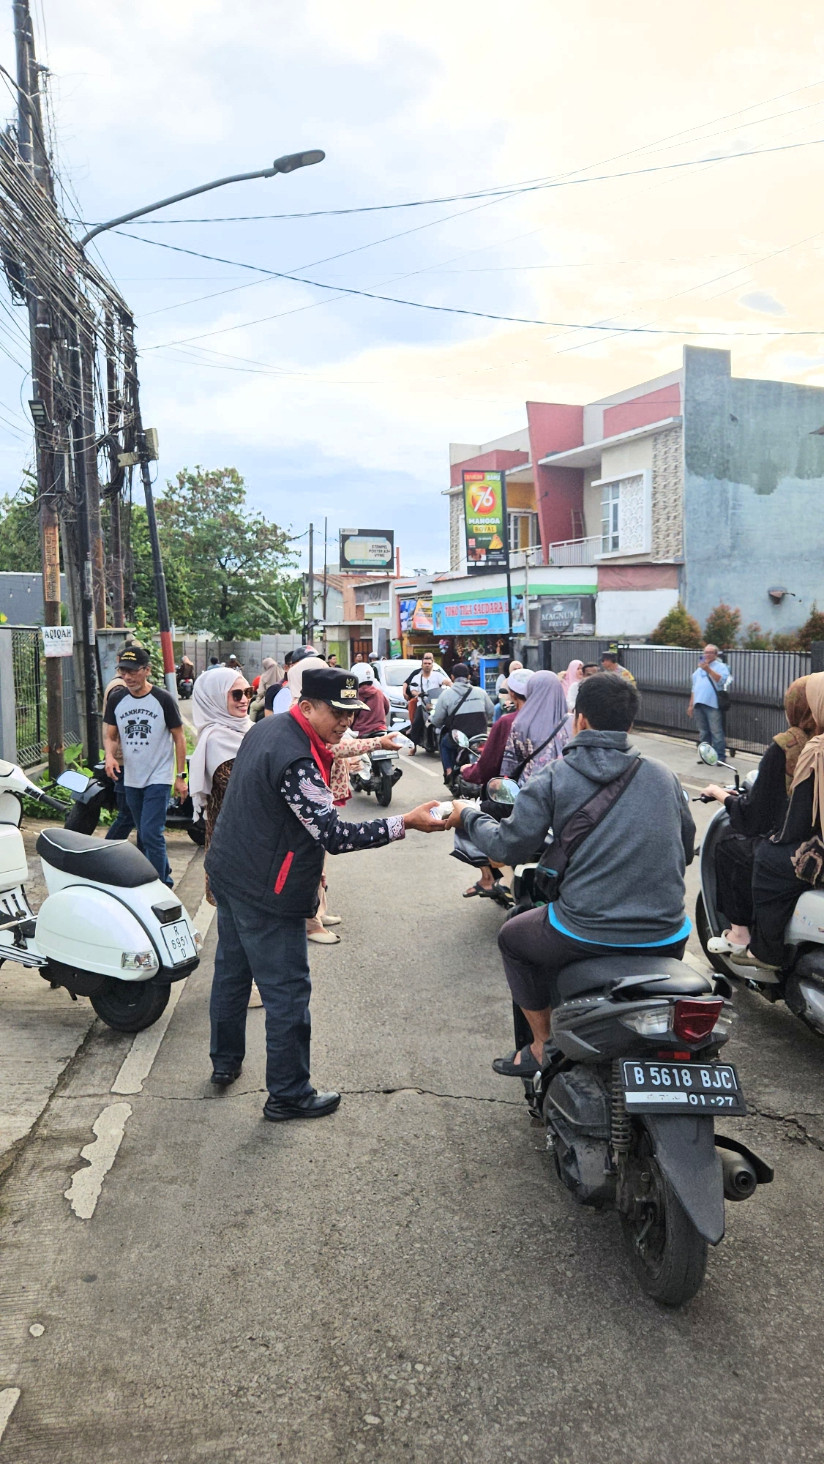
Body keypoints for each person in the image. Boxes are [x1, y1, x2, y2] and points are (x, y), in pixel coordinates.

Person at [205, 666, 447, 1121]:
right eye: (337, 712)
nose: (346, 722)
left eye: (352, 712)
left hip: (232, 872)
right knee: (287, 993)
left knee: (232, 973)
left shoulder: (269, 727)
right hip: (264, 889)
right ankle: (288, 1095)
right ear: (307, 707)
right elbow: (334, 835)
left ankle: (224, 1062)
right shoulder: (295, 757)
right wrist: (405, 822)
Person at [446, 673, 694, 1077]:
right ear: (630, 725)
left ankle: (541, 1046)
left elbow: (509, 847)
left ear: (579, 720)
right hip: (669, 933)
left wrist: (468, 816)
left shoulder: (556, 776)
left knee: (512, 936)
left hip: (583, 931)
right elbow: (683, 851)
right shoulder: (664, 775)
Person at [701, 676, 815, 956]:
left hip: (801, 846)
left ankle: (740, 935)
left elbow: (754, 817)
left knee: (730, 844)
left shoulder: (790, 746)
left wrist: (719, 793)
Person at [750, 672, 824, 967]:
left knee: (768, 857)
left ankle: (765, 953)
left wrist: (778, 840)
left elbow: (797, 821)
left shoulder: (816, 750)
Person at [103, 645, 188, 887]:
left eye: (133, 671)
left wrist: (180, 776)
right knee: (145, 835)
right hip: (132, 777)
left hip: (159, 777)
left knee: (151, 833)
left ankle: (162, 887)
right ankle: (164, 873)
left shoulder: (163, 699)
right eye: (123, 671)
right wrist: (109, 756)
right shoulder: (117, 698)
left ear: (147, 670)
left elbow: (179, 738)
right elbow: (110, 735)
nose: (127, 677)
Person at [460, 667, 532, 900]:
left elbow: (488, 767)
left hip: (512, 797)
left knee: (467, 816)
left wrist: (467, 772)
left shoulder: (508, 722)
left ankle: (490, 878)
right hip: (550, 800)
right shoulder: (561, 722)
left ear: (512, 694)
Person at [500, 670, 571, 787]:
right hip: (565, 787)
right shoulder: (572, 722)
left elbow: (511, 765)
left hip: (531, 789)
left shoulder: (521, 723)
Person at [431, 662, 494, 777]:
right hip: (480, 736)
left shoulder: (446, 695)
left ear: (452, 677)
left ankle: (449, 771)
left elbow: (437, 720)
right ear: (469, 677)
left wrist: (433, 720)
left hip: (458, 739)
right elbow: (490, 712)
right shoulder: (481, 692)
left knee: (444, 744)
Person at [102, 674, 138, 844]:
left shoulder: (118, 685)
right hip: (122, 760)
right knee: (128, 813)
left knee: (138, 815)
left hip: (127, 759)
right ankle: (104, 853)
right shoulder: (120, 689)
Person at [687, 643, 730, 761]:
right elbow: (694, 688)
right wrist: (691, 705)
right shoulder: (699, 669)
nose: (707, 655)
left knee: (716, 731)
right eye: (705, 652)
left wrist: (708, 669)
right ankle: (706, 756)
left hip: (712, 704)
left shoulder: (721, 666)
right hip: (699, 703)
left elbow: (721, 681)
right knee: (703, 732)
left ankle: (720, 756)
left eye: (710, 653)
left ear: (715, 655)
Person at [403, 652, 452, 752]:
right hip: (423, 705)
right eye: (425, 663)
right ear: (422, 665)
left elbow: (446, 682)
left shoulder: (437, 675)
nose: (427, 665)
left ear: (432, 664)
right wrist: (417, 693)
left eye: (429, 663)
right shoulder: (417, 677)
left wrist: (452, 685)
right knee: (417, 723)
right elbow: (413, 690)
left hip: (437, 704)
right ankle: (413, 746)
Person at [351, 665, 391, 736]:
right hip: (380, 730)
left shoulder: (355, 695)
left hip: (361, 732)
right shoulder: (379, 693)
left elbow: (351, 714)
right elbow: (387, 708)